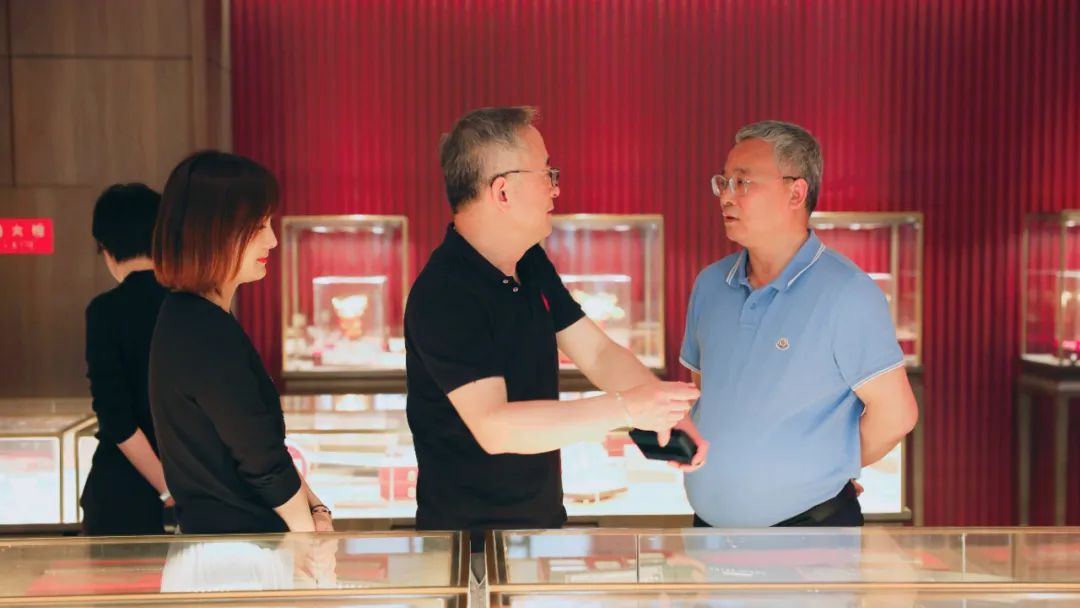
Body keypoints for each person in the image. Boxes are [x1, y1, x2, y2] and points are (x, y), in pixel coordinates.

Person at [405, 106, 702, 551]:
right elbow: (495, 427)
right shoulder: (445, 292)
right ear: (502, 191)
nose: (556, 188)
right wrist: (626, 408)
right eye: (547, 173)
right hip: (468, 548)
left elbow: (597, 353)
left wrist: (666, 413)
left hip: (540, 528)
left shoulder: (529, 262)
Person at [678, 120, 919, 528]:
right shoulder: (710, 285)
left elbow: (896, 416)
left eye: (743, 182)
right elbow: (707, 392)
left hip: (810, 533)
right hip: (710, 531)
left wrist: (829, 468)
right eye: (724, 182)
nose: (726, 197)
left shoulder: (847, 292)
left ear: (796, 192)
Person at [149, 151, 332, 534]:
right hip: (237, 551)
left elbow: (263, 449)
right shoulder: (203, 330)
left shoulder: (197, 318)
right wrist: (310, 540)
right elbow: (261, 461)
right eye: (258, 225)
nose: (272, 239)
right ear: (213, 231)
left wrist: (317, 510)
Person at [82, 183, 172, 535]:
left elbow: (115, 416)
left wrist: (166, 488)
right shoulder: (195, 304)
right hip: (198, 485)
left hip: (121, 493)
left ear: (105, 249)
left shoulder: (105, 311)